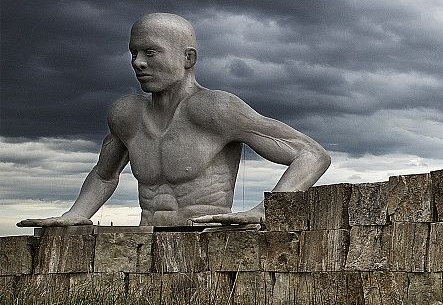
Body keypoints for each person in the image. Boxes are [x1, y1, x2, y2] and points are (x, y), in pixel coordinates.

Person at [18, 13, 330, 228]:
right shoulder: (126, 114)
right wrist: (75, 214)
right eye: (134, 52)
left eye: (151, 52)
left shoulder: (215, 109)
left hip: (206, 240)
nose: (138, 63)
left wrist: (263, 212)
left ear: (188, 58)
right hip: (146, 242)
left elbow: (312, 155)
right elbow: (104, 174)